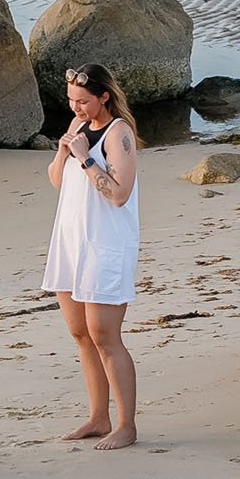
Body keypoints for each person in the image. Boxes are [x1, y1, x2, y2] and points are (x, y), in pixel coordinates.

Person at [44, 61, 142, 449]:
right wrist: (63, 150)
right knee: (81, 334)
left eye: (83, 101)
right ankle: (98, 418)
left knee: (105, 336)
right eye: (71, 101)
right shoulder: (77, 128)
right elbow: (55, 180)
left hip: (105, 245)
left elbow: (119, 194)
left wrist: (86, 158)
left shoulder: (120, 134)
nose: (76, 109)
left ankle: (126, 424)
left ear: (104, 97)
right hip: (70, 244)